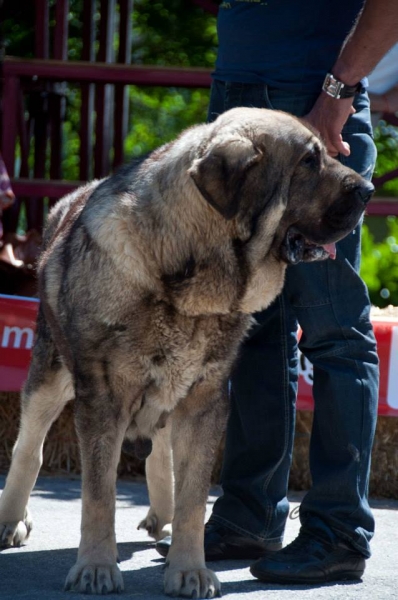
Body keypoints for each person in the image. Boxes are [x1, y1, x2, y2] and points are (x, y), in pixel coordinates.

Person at [157, 0, 398, 585]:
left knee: (333, 327)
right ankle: (250, 514)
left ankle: (339, 531)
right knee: (255, 325)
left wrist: (339, 92)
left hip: (316, 107)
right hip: (242, 100)